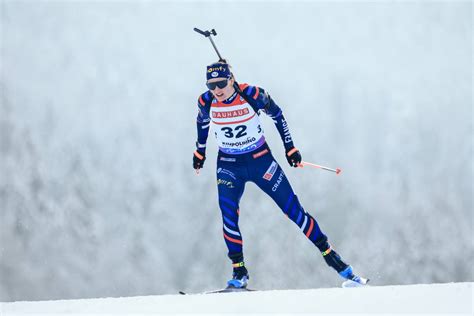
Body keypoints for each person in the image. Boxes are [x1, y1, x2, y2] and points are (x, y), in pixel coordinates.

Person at [193, 61, 367, 288]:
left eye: (221, 83)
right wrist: (200, 151)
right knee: (228, 216)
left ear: (231, 79)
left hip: (260, 161)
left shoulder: (252, 94)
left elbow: (277, 115)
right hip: (228, 164)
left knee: (293, 211)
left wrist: (290, 148)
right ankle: (239, 272)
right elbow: (202, 123)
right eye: (211, 85)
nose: (216, 90)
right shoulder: (206, 101)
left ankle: (341, 266)